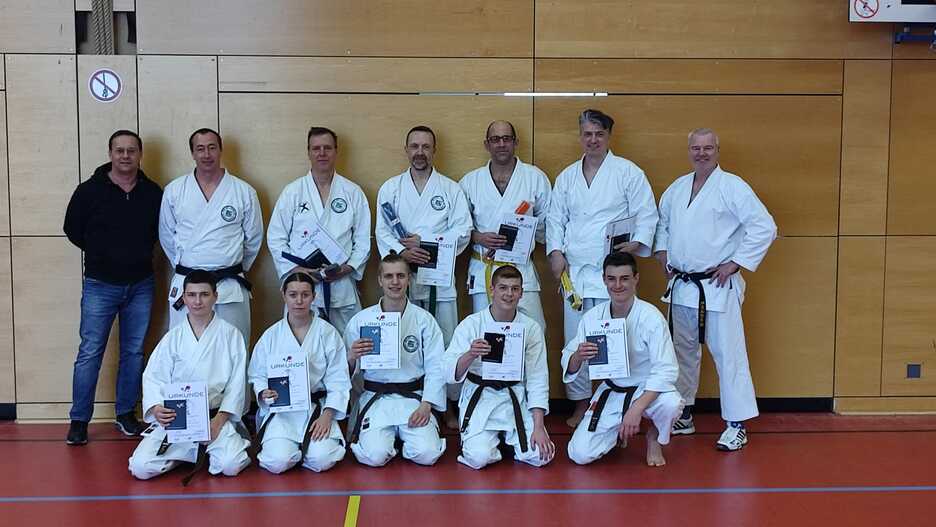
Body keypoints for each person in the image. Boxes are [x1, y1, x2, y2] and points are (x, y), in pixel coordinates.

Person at [654, 128, 777, 451]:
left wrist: (736, 262)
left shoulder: (732, 186)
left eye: (708, 148)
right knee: (682, 355)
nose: (702, 153)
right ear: (689, 150)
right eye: (696, 148)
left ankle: (737, 425)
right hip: (682, 286)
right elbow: (662, 224)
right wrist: (663, 253)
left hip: (717, 287)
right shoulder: (677, 188)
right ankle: (684, 414)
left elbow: (764, 226)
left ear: (718, 150)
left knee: (729, 357)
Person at [546, 109, 659, 428]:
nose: (592, 139)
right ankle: (581, 403)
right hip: (577, 276)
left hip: (613, 275)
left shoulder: (628, 172)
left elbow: (647, 214)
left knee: (619, 339)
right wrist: (555, 252)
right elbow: (555, 218)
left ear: (609, 136)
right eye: (587, 134)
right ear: (580, 136)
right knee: (577, 341)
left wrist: (636, 244)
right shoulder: (567, 176)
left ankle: (619, 400)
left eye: (599, 134)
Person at [63, 130, 163, 445]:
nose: (125, 156)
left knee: (133, 352)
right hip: (100, 284)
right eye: (119, 150)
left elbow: (160, 231)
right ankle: (79, 420)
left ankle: (125, 414)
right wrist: (102, 253)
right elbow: (72, 229)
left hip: (141, 284)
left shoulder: (152, 192)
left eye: (131, 150)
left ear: (140, 154)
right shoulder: (89, 190)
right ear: (110, 154)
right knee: (90, 351)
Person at [374, 125, 472, 429]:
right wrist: (403, 255)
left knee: (445, 342)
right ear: (406, 150)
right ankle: (410, 399)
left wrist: (426, 245)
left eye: (426, 146)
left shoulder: (451, 189)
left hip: (439, 279)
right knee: (406, 341)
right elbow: (382, 231)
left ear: (434, 150)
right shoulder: (391, 188)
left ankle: (448, 405)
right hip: (401, 280)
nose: (420, 152)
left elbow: (463, 231)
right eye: (414, 146)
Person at [128, 271, 251, 482]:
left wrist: (219, 420)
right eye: (191, 295)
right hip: (178, 419)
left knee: (230, 465)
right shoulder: (172, 337)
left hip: (214, 419)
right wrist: (156, 408)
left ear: (215, 296)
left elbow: (237, 385)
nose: (197, 301)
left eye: (204, 294)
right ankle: (185, 455)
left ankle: (199, 451)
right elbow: (154, 377)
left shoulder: (231, 335)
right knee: (140, 467)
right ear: (183, 298)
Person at [563, 252, 683, 466]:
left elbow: (666, 370)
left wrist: (636, 409)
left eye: (624, 278)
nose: (617, 285)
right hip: (612, 391)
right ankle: (617, 432)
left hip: (646, 391)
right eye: (611, 279)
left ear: (636, 278)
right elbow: (569, 363)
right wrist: (578, 356)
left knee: (671, 404)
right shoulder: (593, 317)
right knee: (579, 454)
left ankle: (654, 436)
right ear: (604, 280)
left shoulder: (651, 317)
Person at [442, 265, 555, 469]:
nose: (509, 294)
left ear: (521, 293)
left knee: (542, 455)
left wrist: (539, 426)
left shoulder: (531, 328)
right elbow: (449, 372)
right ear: (492, 290)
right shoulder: (471, 324)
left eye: (514, 288)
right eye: (503, 287)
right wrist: (470, 354)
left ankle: (511, 439)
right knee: (479, 458)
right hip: (481, 396)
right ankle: (490, 441)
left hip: (514, 394)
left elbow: (538, 377)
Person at [159, 128, 263, 347]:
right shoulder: (174, 191)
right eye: (200, 149)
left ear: (221, 150)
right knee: (183, 349)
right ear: (192, 153)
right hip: (188, 284)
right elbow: (167, 236)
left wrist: (232, 265)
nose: (206, 154)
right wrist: (188, 263)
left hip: (228, 285)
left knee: (234, 348)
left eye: (212, 147)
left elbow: (253, 239)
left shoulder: (243, 191)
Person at [344, 253, 447, 466]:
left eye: (401, 276)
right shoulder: (361, 320)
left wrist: (427, 404)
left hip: (414, 399)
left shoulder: (424, 320)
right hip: (376, 399)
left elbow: (436, 367)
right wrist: (352, 357)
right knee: (375, 456)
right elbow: (344, 374)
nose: (395, 282)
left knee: (428, 454)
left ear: (409, 279)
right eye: (389, 276)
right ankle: (388, 440)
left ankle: (405, 441)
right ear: (380, 280)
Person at [267, 126, 371, 336]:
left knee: (349, 343)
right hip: (303, 286)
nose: (322, 153)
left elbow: (363, 240)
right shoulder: (293, 192)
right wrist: (297, 270)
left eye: (327, 148)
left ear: (336, 151)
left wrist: (348, 268)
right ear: (308, 152)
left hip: (341, 283)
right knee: (303, 342)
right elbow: (275, 238)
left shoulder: (352, 192)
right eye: (316, 148)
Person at [247, 272, 351, 473]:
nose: (299, 301)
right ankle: (295, 451)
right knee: (277, 462)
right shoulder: (271, 336)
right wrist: (263, 392)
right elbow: (257, 375)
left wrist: (328, 415)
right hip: (282, 412)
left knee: (322, 460)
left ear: (314, 297)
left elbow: (338, 379)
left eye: (305, 295)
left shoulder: (327, 333)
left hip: (316, 409)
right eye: (293, 295)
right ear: (284, 295)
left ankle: (307, 452)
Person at [459, 120, 551, 329]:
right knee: (486, 332)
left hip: (521, 270)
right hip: (485, 268)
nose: (501, 144)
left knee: (533, 329)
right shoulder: (470, 182)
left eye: (506, 138)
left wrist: (524, 234)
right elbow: (459, 227)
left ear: (515, 142)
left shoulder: (534, 177)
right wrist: (478, 237)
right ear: (487, 144)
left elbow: (548, 225)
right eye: (495, 139)